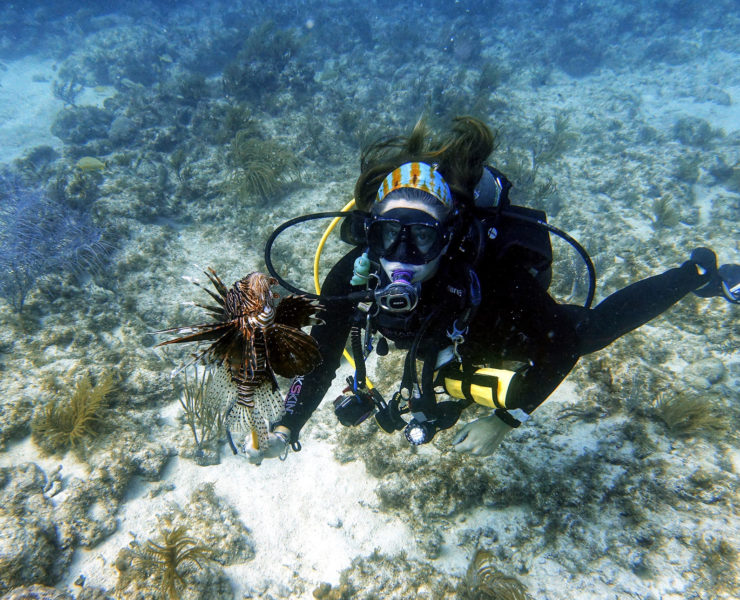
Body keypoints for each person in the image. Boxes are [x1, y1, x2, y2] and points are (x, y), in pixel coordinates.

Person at [245, 117, 740, 465]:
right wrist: (287, 428)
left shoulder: (489, 277)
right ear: (367, 235)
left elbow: (561, 345)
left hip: (482, 321)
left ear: (449, 236)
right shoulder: (354, 276)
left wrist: (507, 420)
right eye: (387, 235)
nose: (403, 256)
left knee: (583, 332)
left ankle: (698, 273)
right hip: (436, 333)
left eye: (422, 237)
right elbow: (322, 355)